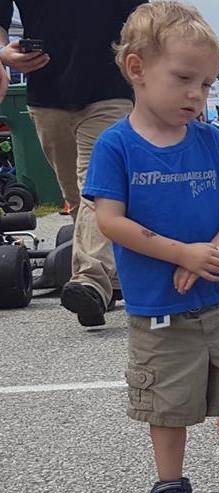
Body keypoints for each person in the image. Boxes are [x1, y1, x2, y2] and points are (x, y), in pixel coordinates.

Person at [82, 2, 219, 493]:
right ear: (137, 69)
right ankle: (170, 484)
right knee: (167, 401)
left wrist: (213, 252)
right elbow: (110, 220)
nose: (197, 95)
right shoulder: (117, 146)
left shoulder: (211, 141)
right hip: (158, 307)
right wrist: (179, 253)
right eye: (184, 79)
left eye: (206, 84)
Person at [1, 0, 148, 329]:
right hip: (47, 94)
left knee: (97, 190)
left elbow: (144, 20)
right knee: (77, 196)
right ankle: (111, 279)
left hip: (109, 90)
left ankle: (90, 281)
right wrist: (3, 54)